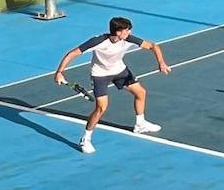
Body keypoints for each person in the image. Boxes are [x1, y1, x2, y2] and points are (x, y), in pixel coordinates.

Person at [54, 16, 169, 155]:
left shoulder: (128, 39)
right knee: (101, 108)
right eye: (127, 30)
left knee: (140, 92)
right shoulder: (97, 41)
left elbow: (153, 46)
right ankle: (86, 139)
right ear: (118, 32)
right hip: (100, 75)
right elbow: (72, 54)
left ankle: (140, 124)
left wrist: (161, 63)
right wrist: (59, 72)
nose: (130, 32)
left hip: (120, 71)